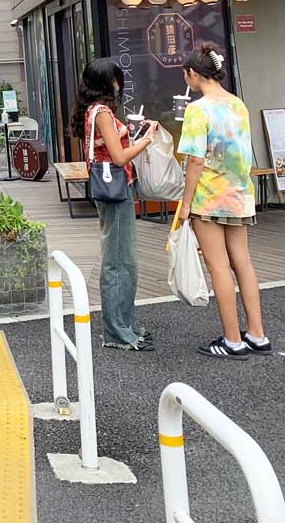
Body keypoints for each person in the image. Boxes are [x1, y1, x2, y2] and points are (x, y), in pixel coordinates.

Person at [178, 43, 269, 360]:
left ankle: (232, 340)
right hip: (240, 195)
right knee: (243, 262)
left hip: (209, 198)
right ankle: (256, 334)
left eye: (186, 76)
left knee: (218, 266)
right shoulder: (237, 104)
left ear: (192, 74)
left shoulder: (197, 109)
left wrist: (186, 203)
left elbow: (194, 161)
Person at [71, 58, 158, 351]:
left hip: (109, 189)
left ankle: (123, 325)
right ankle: (118, 331)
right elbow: (120, 158)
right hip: (115, 191)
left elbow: (109, 150)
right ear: (110, 82)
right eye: (117, 79)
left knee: (121, 259)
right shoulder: (103, 112)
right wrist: (147, 140)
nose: (119, 84)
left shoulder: (91, 111)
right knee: (120, 261)